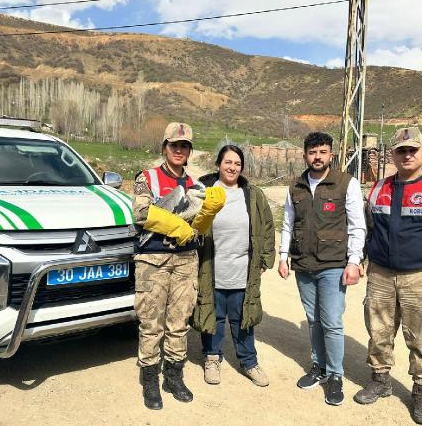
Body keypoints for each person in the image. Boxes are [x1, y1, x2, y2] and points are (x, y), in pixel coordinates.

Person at [354, 127, 422, 425]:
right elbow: (367, 230)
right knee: (378, 331)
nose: (407, 155)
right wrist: (360, 259)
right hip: (381, 275)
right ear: (393, 155)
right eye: (401, 150)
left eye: (413, 149)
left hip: (421, 278)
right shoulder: (377, 189)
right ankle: (380, 380)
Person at [132, 122, 225, 410]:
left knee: (179, 322)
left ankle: (174, 375)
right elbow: (141, 213)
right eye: (174, 145)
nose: (179, 150)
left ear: (189, 150)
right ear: (165, 147)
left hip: (186, 260)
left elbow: (198, 229)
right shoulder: (147, 178)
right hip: (153, 260)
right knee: (151, 322)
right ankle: (150, 379)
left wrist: (208, 214)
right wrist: (174, 226)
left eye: (184, 146)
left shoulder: (195, 185)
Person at [278, 132, 366, 406]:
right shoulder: (296, 187)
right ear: (305, 155)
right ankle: (319, 368)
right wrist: (283, 256)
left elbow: (357, 225)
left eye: (323, 152)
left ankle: (336, 375)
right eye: (313, 152)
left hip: (333, 265)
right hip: (304, 264)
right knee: (313, 319)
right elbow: (288, 224)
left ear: (331, 155)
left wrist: (354, 261)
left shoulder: (346, 184)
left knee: (331, 322)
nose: (318, 157)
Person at [192, 145, 275, 387]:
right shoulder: (203, 192)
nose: (232, 167)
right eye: (228, 162)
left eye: (237, 164)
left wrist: (264, 261)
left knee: (243, 319)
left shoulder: (253, 195)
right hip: (211, 268)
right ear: (218, 164)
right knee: (213, 316)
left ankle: (249, 362)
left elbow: (268, 228)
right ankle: (211, 358)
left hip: (243, 270)